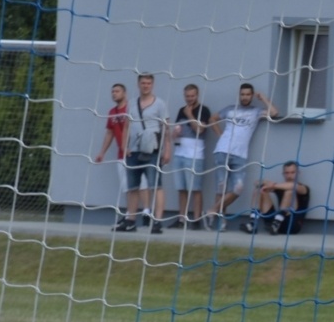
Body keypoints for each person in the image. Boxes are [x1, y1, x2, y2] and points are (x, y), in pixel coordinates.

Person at [209, 84, 278, 229]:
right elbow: (212, 119)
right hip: (222, 151)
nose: (245, 97)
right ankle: (221, 222)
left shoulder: (256, 111)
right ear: (239, 95)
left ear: (251, 96)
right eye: (242, 94)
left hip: (240, 155)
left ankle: (212, 210)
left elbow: (274, 112)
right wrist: (220, 136)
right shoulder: (230, 109)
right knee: (221, 187)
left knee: (238, 188)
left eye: (247, 94)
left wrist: (263, 98)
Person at [116, 73, 170, 234]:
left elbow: (166, 128)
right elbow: (127, 126)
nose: (146, 86)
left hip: (152, 150)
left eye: (148, 83)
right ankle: (131, 220)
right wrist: (124, 146)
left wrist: (167, 150)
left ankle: (157, 221)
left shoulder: (160, 104)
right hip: (134, 150)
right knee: (132, 186)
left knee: (156, 185)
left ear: (152, 85)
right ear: (138, 84)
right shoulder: (132, 104)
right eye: (143, 83)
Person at [171, 84, 213, 229]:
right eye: (187, 96)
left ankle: (196, 220)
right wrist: (175, 133)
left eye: (192, 96)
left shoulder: (204, 110)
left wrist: (189, 115)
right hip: (179, 153)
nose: (189, 99)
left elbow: (200, 130)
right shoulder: (181, 110)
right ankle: (181, 219)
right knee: (181, 188)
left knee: (195, 189)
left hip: (194, 155)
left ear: (197, 95)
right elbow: (175, 133)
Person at [244, 161, 311, 235]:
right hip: (274, 223)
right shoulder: (279, 186)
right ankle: (253, 224)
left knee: (290, 192)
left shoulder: (303, 188)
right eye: (287, 173)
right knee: (259, 190)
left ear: (298, 173)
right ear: (283, 174)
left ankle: (276, 224)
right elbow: (256, 182)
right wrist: (265, 182)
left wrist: (272, 185)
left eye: (293, 172)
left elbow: (293, 186)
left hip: (292, 225)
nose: (289, 175)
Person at [93, 82, 128, 166]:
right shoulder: (112, 112)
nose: (114, 94)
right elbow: (110, 133)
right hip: (121, 155)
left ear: (124, 93)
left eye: (117, 91)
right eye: (113, 92)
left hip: (134, 153)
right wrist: (102, 153)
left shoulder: (131, 108)